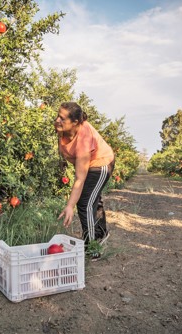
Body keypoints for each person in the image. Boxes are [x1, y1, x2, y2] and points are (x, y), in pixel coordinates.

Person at [54, 102, 115, 257]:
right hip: (89, 164)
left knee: (85, 203)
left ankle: (91, 249)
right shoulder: (62, 128)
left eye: (62, 118)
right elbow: (62, 144)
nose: (57, 120)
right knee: (93, 199)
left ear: (75, 122)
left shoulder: (83, 140)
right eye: (57, 116)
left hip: (101, 163)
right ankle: (100, 235)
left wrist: (70, 206)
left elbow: (80, 179)